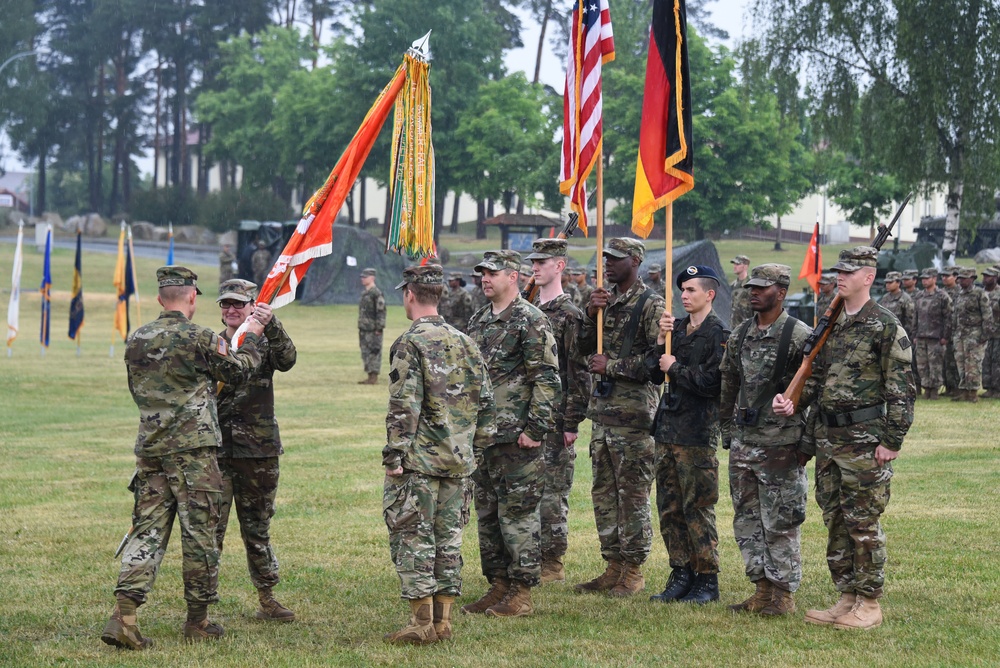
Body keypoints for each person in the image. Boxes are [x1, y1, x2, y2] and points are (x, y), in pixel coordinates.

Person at [102, 267, 264, 650]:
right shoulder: (201, 338)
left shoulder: (137, 338)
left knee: (146, 532)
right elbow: (239, 372)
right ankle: (198, 620)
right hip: (193, 453)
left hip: (151, 449)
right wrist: (252, 339)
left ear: (161, 299)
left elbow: (139, 390)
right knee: (199, 534)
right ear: (193, 298)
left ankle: (124, 616)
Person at [774, 246, 915, 630]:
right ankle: (847, 596)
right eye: (839, 270)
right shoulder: (832, 323)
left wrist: (892, 440)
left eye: (849, 272)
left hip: (865, 440)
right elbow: (816, 380)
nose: (841, 276)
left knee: (862, 521)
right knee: (835, 518)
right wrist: (793, 403)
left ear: (868, 277)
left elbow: (901, 389)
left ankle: (869, 603)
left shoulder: (885, 325)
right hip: (828, 439)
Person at [382, 265, 495, 645]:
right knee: (448, 540)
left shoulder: (410, 342)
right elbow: (487, 404)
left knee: (414, 537)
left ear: (409, 295)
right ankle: (444, 622)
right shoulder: (467, 341)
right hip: (458, 461)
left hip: (420, 463)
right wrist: (472, 448)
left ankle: (421, 623)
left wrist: (394, 455)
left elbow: (404, 405)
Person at [462, 250, 560, 618]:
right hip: (485, 438)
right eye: (482, 273)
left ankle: (521, 592)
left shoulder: (530, 320)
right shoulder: (478, 319)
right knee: (488, 515)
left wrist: (535, 429)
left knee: (518, 516)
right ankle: (498, 584)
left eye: (492, 273)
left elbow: (547, 379)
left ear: (513, 276)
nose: (485, 278)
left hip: (518, 437)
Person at [720, 264, 814, 616]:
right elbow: (729, 379)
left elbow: (813, 389)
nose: (754, 292)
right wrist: (726, 428)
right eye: (752, 287)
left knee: (781, 520)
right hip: (745, 441)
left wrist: (806, 442)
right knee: (747, 519)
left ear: (782, 292)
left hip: (780, 444)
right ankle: (761, 590)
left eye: (762, 287)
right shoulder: (742, 332)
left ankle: (783, 594)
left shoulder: (799, 335)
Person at [576, 238, 665, 598]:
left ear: (635, 260)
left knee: (632, 495)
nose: (607, 265)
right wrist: (588, 314)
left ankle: (633, 569)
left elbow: (657, 362)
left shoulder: (650, 304)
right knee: (604, 494)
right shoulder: (604, 300)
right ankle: (613, 564)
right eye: (605, 259)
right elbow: (581, 347)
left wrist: (611, 367)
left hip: (634, 418)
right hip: (603, 416)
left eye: (614, 259)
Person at [214, 279, 297, 623]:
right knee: (208, 528)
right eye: (225, 304)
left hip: (257, 449)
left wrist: (272, 323)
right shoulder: (211, 342)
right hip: (215, 450)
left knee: (257, 527)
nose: (231, 310)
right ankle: (203, 600)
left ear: (252, 305)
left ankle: (267, 596)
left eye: (238, 304)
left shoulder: (263, 340)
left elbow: (288, 359)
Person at [646, 265, 727, 605]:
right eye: (683, 289)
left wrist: (675, 368)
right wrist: (659, 339)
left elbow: (713, 383)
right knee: (669, 508)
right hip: (667, 430)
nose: (684, 294)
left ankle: (706, 579)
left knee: (697, 507)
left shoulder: (719, 334)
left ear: (709, 294)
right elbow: (652, 371)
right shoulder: (675, 329)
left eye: (692, 289)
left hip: (696, 433)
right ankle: (681, 572)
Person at [525, 239, 592, 584]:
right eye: (534, 261)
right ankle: (527, 556)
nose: (536, 267)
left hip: (555, 416)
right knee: (526, 490)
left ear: (560, 267)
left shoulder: (569, 314)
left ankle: (552, 561)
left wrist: (572, 420)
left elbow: (577, 371)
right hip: (527, 414)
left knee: (552, 493)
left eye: (544, 262)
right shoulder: (526, 308)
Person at [951, 267, 994, 402]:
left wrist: (984, 335)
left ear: (972, 279)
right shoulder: (959, 294)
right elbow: (955, 315)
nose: (961, 281)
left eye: (964, 278)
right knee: (961, 363)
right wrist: (954, 332)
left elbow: (987, 316)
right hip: (960, 334)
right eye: (960, 278)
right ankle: (964, 390)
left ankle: (973, 393)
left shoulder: (979, 293)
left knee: (973, 364)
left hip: (975, 334)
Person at [912, 268, 951, 400]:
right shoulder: (919, 296)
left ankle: (934, 390)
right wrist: (914, 335)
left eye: (927, 278)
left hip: (936, 337)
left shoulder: (942, 296)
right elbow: (915, 317)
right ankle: (926, 389)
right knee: (922, 365)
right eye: (923, 278)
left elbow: (948, 317)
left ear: (934, 279)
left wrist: (945, 336)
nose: (924, 281)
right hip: (921, 336)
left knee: (935, 365)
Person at [358, 267, 386, 385]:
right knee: (365, 351)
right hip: (364, 328)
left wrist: (379, 328)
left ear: (372, 278)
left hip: (373, 329)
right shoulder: (365, 293)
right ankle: (369, 375)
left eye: (365, 277)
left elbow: (381, 312)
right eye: (362, 277)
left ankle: (373, 377)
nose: (363, 279)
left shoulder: (376, 293)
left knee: (374, 351)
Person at [941, 266, 961, 396]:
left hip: (957, 332)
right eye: (942, 276)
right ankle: (948, 387)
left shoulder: (960, 292)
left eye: (947, 276)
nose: (944, 278)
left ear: (955, 277)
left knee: (955, 361)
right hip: (943, 332)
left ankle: (957, 388)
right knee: (945, 361)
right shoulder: (941, 292)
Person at [982, 268, 1000, 398]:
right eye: (984, 276)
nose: (985, 279)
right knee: (986, 362)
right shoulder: (981, 293)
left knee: (997, 362)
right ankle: (989, 388)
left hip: (998, 333)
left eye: (988, 276)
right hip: (985, 334)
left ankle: (997, 389)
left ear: (995, 278)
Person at [730, 255, 752, 329]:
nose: (734, 266)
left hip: (747, 326)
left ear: (745, 266)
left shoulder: (751, 284)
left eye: (738, 264)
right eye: (734, 264)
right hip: (734, 326)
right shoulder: (733, 285)